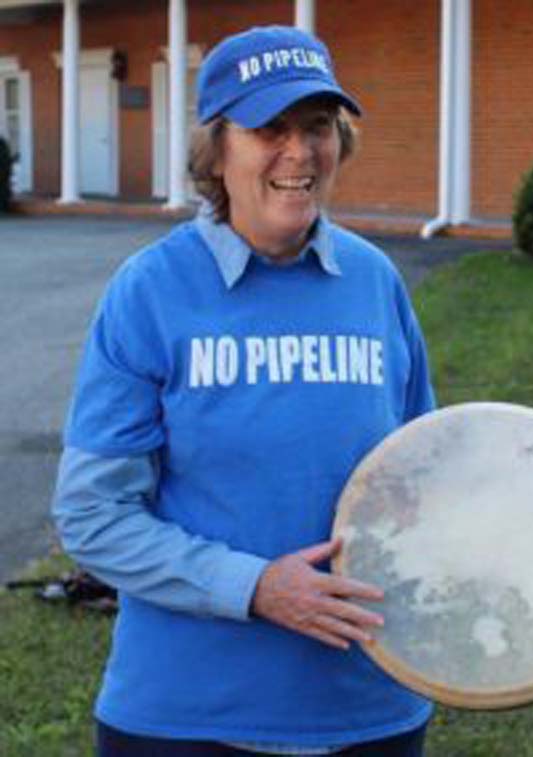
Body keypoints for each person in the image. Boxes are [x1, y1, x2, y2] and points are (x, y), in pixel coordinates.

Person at [52, 25, 434, 757]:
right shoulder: (150, 291)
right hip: (187, 720)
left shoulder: (374, 282)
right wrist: (254, 587)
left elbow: (426, 471)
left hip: (371, 709)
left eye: (317, 126)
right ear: (216, 151)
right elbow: (93, 513)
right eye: (269, 129)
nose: (300, 152)